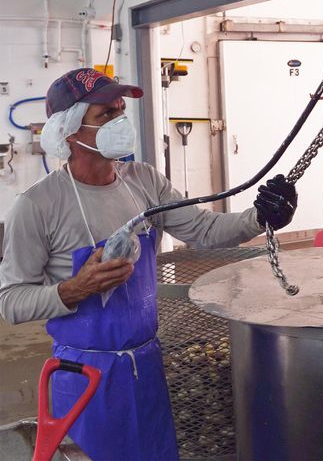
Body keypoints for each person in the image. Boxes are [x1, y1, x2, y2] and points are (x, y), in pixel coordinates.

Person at [0, 68, 298, 461]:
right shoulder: (37, 205)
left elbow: (204, 229)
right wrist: (75, 288)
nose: (120, 121)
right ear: (70, 131)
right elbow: (11, 302)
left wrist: (259, 218)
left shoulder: (143, 181)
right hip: (84, 374)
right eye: (106, 114)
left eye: (121, 110)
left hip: (145, 365)